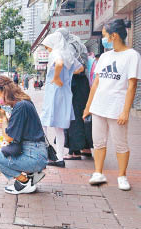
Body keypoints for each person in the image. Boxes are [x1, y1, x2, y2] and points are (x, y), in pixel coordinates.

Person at [83, 19, 141, 191]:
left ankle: (122, 176)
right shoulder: (105, 57)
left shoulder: (132, 56)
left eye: (104, 36)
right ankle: (98, 172)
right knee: (98, 143)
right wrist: (88, 107)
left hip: (117, 108)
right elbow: (96, 84)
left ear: (114, 36)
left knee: (120, 144)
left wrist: (125, 111)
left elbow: (132, 86)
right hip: (99, 107)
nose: (104, 39)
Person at [0, 75, 48, 194]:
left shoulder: (21, 106)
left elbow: (9, 137)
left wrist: (2, 117)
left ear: (5, 91)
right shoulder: (23, 103)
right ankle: (28, 178)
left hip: (33, 157)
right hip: (35, 153)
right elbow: (12, 133)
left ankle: (24, 181)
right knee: (0, 151)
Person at [40, 32, 84, 168]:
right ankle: (59, 157)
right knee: (59, 128)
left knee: (43, 123)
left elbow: (58, 63)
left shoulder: (56, 53)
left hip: (54, 92)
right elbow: (80, 68)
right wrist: (67, 75)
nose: (47, 50)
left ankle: (45, 153)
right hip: (65, 93)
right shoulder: (68, 54)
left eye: (47, 47)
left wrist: (57, 77)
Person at [56, 28, 93, 160]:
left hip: (74, 83)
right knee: (82, 115)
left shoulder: (68, 46)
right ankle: (86, 148)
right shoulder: (79, 43)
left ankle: (74, 151)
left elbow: (70, 64)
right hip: (82, 84)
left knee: (73, 116)